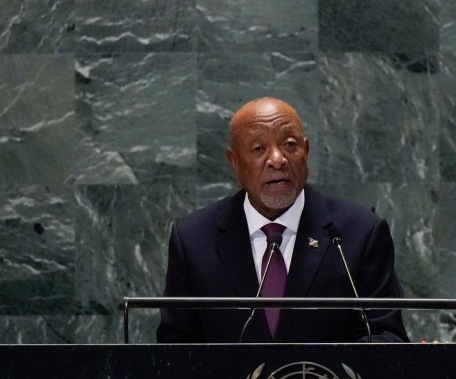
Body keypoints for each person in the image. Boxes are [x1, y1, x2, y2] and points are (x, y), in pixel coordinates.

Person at [156, 97, 408, 343]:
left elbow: (384, 335)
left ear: (306, 151)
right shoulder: (193, 239)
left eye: (289, 145)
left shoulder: (360, 233)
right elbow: (175, 349)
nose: (277, 160)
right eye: (258, 149)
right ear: (234, 162)